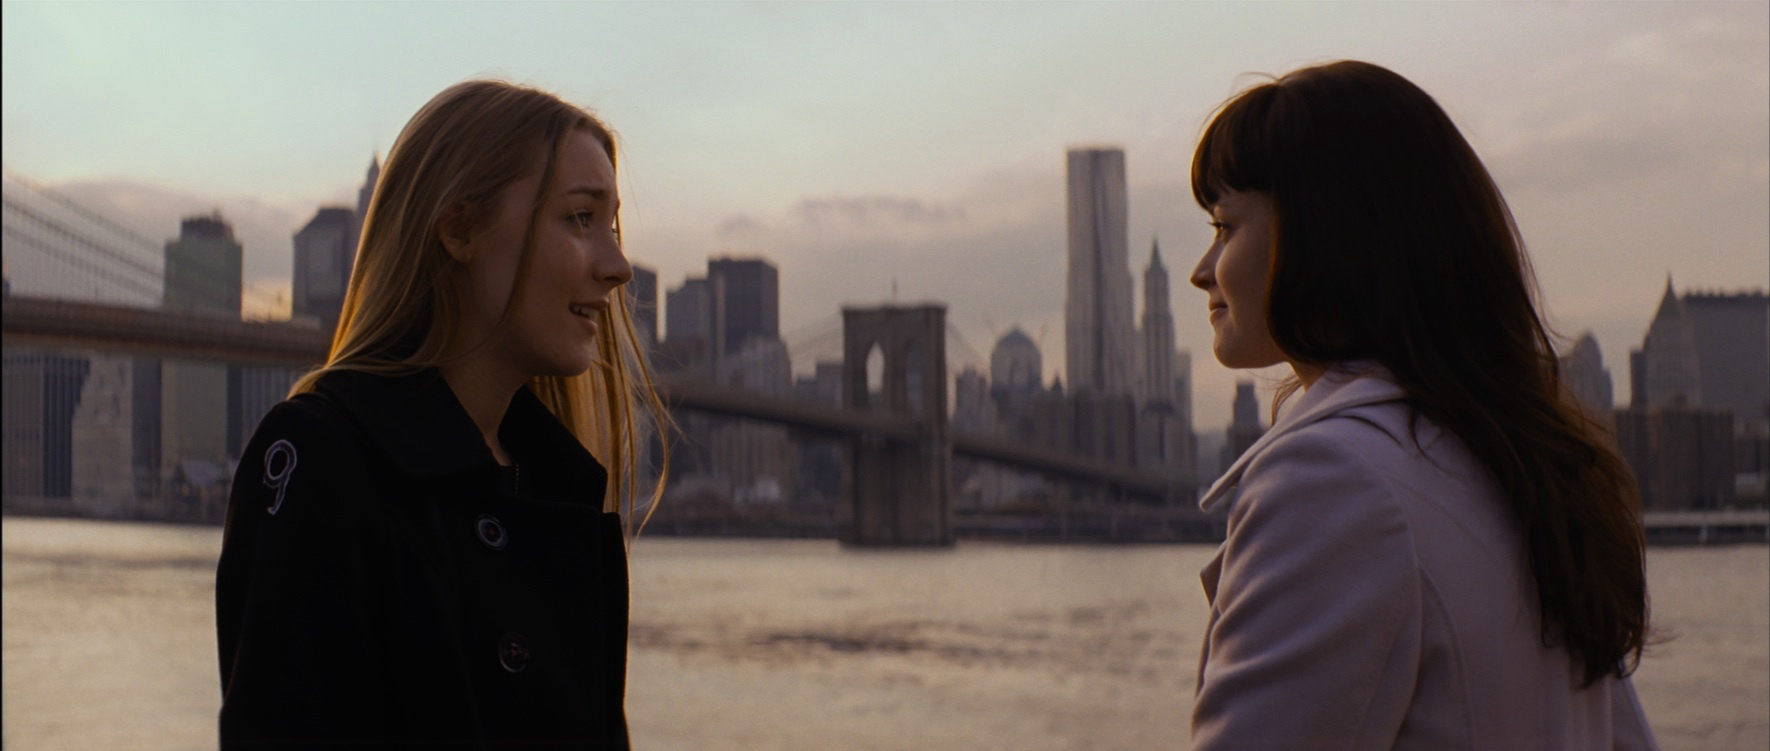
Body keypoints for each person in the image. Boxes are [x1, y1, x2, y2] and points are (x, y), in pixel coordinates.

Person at [1185, 60, 1658, 750]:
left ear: (1324, 236)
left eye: (1226, 227)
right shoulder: (1517, 464)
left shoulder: (1333, 481)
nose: (1202, 270)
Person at [215, 79, 667, 749]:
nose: (619, 266)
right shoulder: (323, 460)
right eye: (580, 218)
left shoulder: (559, 490)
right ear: (460, 230)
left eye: (613, 226)